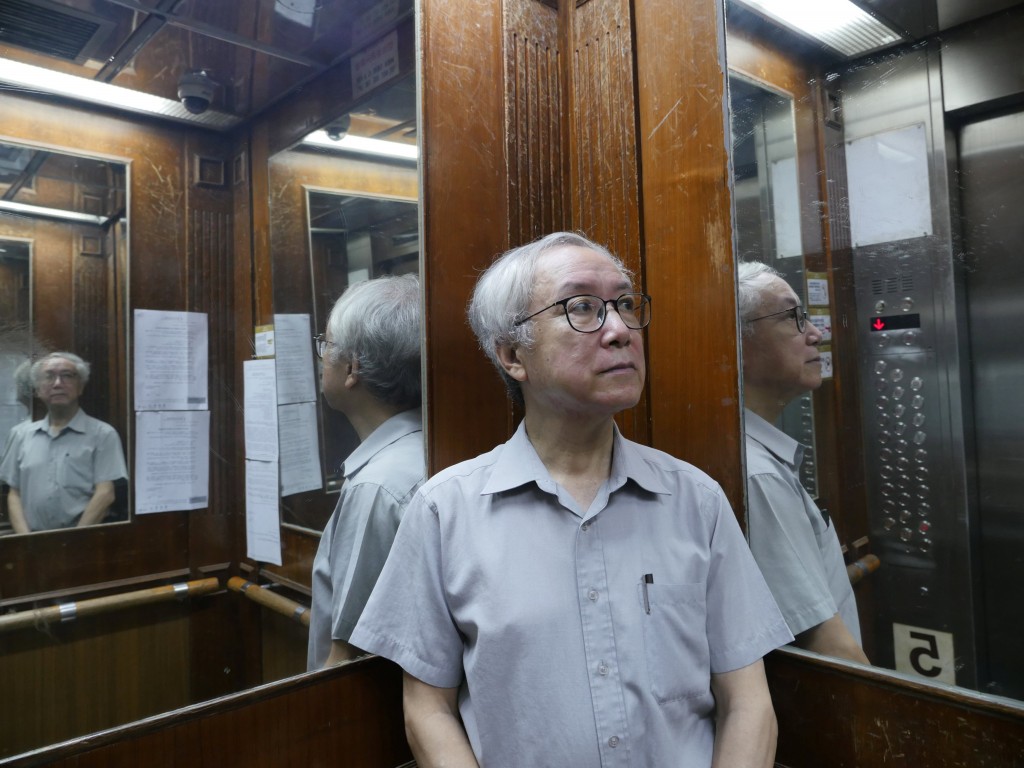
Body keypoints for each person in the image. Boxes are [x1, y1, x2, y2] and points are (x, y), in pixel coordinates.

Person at [350, 232, 794, 767]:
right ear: (513, 355)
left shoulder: (695, 500)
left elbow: (747, 700)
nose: (620, 330)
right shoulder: (444, 511)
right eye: (582, 307)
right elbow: (427, 708)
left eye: (625, 304)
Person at [737, 261, 870, 665]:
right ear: (737, 343)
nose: (815, 334)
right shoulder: (758, 475)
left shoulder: (759, 458)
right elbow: (825, 645)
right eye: (791, 318)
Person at [306, 274, 425, 670]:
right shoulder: (428, 450)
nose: (321, 357)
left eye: (326, 345)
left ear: (352, 368)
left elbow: (349, 658)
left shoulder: (378, 486)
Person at [0, 352, 127, 533]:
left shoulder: (103, 434)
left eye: (67, 376)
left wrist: (74, 541)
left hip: (83, 541)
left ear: (80, 387)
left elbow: (105, 493)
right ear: (37, 389)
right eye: (49, 376)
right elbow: (14, 494)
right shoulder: (20, 435)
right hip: (32, 542)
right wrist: (26, 540)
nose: (58, 383)